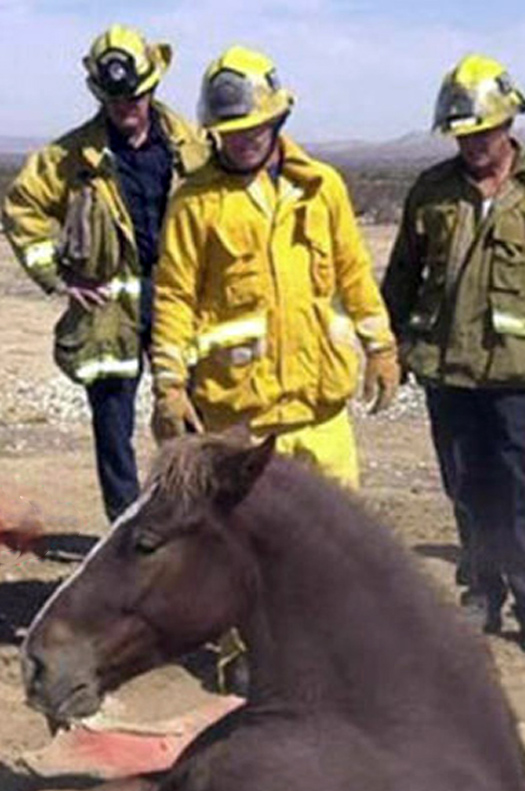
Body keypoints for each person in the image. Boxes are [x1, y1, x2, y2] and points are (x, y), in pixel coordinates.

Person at [382, 54, 525, 661]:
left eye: (483, 132)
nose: (473, 144)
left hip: (512, 374)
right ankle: (480, 594)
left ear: (508, 123)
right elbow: (401, 278)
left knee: (522, 496)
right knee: (466, 490)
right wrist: (388, 350)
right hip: (447, 370)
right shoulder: (431, 192)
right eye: (462, 135)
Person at [150, 45, 399, 488]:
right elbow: (174, 298)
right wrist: (169, 387)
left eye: (254, 128)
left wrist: (381, 349)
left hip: (321, 414)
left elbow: (355, 275)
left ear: (277, 119)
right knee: (243, 533)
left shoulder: (321, 188)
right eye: (230, 132)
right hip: (239, 421)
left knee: (334, 529)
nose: (243, 140)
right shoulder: (195, 203)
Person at [2, 25, 206, 521]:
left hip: (177, 301)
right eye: (114, 100)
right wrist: (60, 277)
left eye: (134, 97)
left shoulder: (192, 147)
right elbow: (21, 207)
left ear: (151, 87)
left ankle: (195, 523)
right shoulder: (73, 157)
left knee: (191, 415)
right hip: (108, 309)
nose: (125, 108)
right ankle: (126, 528)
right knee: (113, 428)